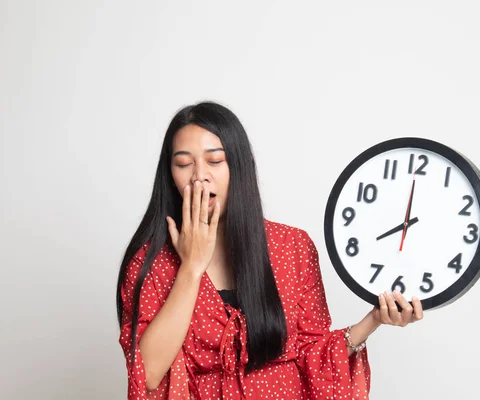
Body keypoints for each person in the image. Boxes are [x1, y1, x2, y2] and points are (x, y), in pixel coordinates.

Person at [116, 101, 424, 399]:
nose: (199, 176)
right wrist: (192, 267)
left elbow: (314, 356)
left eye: (214, 161)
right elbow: (148, 374)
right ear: (169, 175)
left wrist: (374, 319)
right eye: (183, 164)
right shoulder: (149, 263)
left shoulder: (292, 247)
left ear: (239, 164)